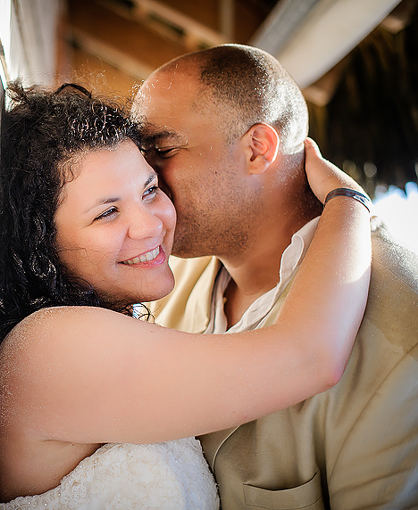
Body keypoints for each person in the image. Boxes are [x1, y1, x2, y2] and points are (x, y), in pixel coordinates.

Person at [0, 81, 372, 509]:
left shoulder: (94, 330)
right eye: (108, 212)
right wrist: (349, 201)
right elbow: (310, 358)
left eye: (150, 190)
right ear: (41, 241)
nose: (152, 225)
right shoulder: (53, 348)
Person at [133, 44, 418, 509]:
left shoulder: (402, 336)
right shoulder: (165, 273)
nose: (143, 175)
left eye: (161, 150)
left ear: (257, 149)